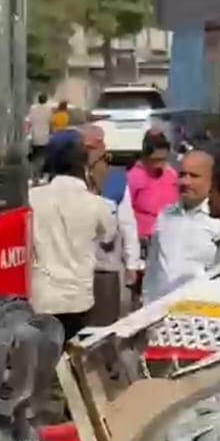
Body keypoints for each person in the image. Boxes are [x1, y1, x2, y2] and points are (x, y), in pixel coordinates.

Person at [29, 131, 115, 343]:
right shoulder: (98, 205)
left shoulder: (31, 198)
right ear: (84, 164)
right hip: (78, 302)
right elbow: (108, 237)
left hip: (41, 299)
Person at [142, 149, 220, 303]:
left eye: (194, 176)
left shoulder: (218, 221)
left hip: (200, 309)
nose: (185, 182)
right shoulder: (165, 215)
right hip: (161, 308)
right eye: (182, 175)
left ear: (212, 180)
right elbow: (153, 266)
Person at [79, 125, 140, 327]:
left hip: (105, 269)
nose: (87, 152)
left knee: (106, 328)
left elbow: (127, 225)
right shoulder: (69, 177)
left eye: (91, 147)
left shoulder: (116, 180)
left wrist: (132, 264)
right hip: (75, 270)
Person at [127, 131, 180, 257]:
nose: (160, 165)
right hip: (144, 240)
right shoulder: (134, 177)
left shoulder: (172, 175)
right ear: (146, 157)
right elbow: (126, 212)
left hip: (170, 236)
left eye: (163, 159)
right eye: (155, 160)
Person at [27, 92, 53, 169]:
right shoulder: (48, 109)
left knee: (35, 153)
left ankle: (34, 171)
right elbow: (50, 121)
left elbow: (30, 120)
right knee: (44, 154)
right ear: (46, 100)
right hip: (45, 135)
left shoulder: (33, 108)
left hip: (35, 135)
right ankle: (42, 170)